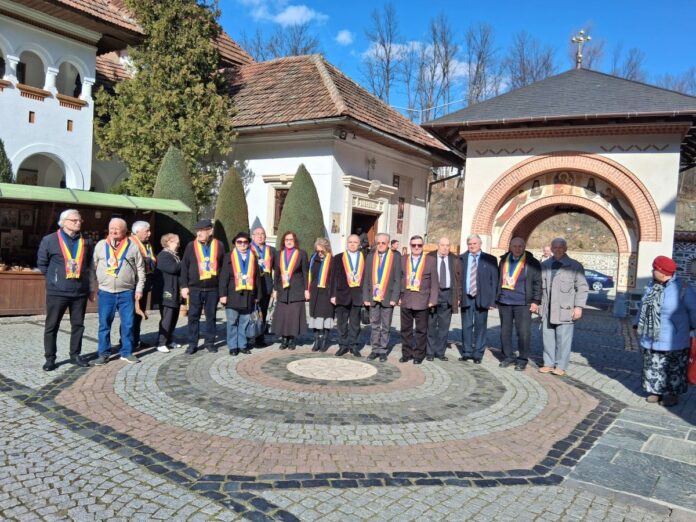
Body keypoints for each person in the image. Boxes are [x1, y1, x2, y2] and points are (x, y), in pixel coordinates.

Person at [37, 209, 94, 371]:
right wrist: (55, 279)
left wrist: (90, 288)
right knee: (52, 325)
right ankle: (50, 358)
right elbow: (42, 264)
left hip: (79, 292)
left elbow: (90, 265)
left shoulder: (86, 241)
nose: (78, 223)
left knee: (78, 325)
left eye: (80, 220)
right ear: (63, 222)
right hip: (57, 292)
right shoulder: (49, 240)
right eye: (74, 220)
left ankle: (75, 355)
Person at [635, 256, 696, 407]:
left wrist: (693, 327)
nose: (652, 271)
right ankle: (655, 391)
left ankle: (671, 394)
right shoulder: (651, 285)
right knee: (653, 365)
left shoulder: (683, 288)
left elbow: (694, 310)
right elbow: (643, 307)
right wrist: (637, 323)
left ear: (662, 272)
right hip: (651, 336)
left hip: (674, 337)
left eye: (654, 269)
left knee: (673, 367)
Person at [91, 218, 145, 365]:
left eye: (117, 228)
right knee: (104, 325)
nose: (113, 231)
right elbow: (92, 267)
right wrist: (92, 287)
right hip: (106, 292)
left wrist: (139, 289)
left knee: (128, 324)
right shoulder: (101, 245)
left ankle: (126, 352)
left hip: (126, 292)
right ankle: (103, 354)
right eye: (111, 228)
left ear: (125, 231)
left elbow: (140, 269)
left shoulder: (133, 246)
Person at [539, 237, 588, 376]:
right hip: (547, 309)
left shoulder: (575, 266)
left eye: (561, 247)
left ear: (565, 249)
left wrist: (578, 307)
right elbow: (539, 286)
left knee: (563, 340)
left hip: (565, 309)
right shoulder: (545, 265)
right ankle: (548, 364)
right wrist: (538, 304)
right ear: (551, 249)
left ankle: (561, 366)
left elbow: (582, 287)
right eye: (555, 247)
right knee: (547, 338)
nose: (558, 250)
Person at [496, 237, 542, 371]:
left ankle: (522, 359)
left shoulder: (532, 262)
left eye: (520, 246)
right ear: (510, 246)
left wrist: (536, 301)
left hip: (523, 303)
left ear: (524, 247)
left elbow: (538, 283)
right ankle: (508, 356)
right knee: (505, 332)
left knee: (523, 333)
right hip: (504, 301)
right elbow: (499, 278)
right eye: (514, 246)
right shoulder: (504, 260)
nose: (517, 249)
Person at [180, 219, 224, 354]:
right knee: (193, 316)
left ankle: (210, 342)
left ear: (210, 231)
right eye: (197, 231)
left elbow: (223, 268)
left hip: (212, 289)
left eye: (202, 231)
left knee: (211, 317)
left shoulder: (219, 245)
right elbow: (184, 266)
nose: (198, 233)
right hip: (195, 288)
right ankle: (192, 344)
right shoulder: (190, 246)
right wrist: (184, 286)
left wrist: (222, 290)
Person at [219, 232, 262, 356]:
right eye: (239, 242)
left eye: (245, 242)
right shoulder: (228, 256)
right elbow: (223, 277)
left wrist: (258, 295)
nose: (242, 244)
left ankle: (242, 345)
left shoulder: (253, 257)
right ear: (235, 243)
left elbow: (257, 278)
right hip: (232, 295)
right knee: (232, 322)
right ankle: (233, 346)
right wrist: (222, 295)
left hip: (248, 295)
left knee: (244, 322)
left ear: (248, 244)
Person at [459, 234, 498, 364]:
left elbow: (494, 281)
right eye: (470, 244)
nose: (472, 246)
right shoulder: (461, 258)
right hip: (466, 297)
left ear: (480, 244)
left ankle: (478, 354)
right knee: (466, 326)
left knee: (480, 327)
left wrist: (493, 301)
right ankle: (467, 352)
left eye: (474, 243)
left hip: (483, 298)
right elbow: (457, 280)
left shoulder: (490, 259)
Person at [399, 235, 438, 364]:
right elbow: (398, 278)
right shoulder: (403, 259)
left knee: (421, 331)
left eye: (419, 245)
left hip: (423, 301)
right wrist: (398, 297)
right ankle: (406, 354)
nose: (416, 247)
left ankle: (418, 355)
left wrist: (432, 300)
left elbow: (434, 282)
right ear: (410, 246)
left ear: (423, 246)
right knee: (406, 330)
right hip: (406, 299)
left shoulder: (430, 260)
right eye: (414, 245)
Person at [363, 232, 402, 362]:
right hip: (373, 297)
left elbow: (397, 279)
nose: (380, 245)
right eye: (378, 243)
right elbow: (366, 278)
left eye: (383, 243)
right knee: (374, 326)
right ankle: (375, 350)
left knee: (385, 326)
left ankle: (383, 350)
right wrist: (366, 297)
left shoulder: (395, 257)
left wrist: (394, 298)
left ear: (388, 244)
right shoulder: (370, 257)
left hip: (388, 297)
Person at [426, 237, 461, 361]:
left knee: (444, 327)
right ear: (438, 245)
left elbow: (458, 279)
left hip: (447, 295)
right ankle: (430, 352)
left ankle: (440, 352)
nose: (445, 248)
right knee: (431, 325)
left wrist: (458, 297)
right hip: (433, 295)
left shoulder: (454, 259)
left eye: (447, 245)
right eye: (442, 245)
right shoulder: (430, 257)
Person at [273, 231, 309, 350]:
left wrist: (306, 289)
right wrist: (275, 289)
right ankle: (284, 339)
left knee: (294, 315)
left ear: (295, 241)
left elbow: (305, 272)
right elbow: (277, 273)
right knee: (283, 314)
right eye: (287, 239)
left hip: (297, 289)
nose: (289, 242)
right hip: (282, 289)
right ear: (283, 241)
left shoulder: (302, 254)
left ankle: (292, 339)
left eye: (291, 240)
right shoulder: (278, 254)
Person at [330, 234, 365, 357]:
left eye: (355, 242)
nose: (352, 244)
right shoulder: (338, 258)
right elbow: (333, 277)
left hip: (358, 295)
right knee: (341, 323)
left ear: (359, 244)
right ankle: (343, 345)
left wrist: (366, 296)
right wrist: (333, 295)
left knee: (355, 323)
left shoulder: (364, 257)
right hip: (341, 294)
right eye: (350, 242)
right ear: (347, 243)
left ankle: (353, 345)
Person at [130, 221, 156, 349]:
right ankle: (127, 341)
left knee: (139, 313)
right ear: (137, 231)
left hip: (144, 284)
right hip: (133, 285)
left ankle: (136, 340)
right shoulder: (130, 243)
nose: (149, 233)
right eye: (147, 231)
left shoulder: (147, 244)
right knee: (130, 314)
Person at [154, 233, 181, 353]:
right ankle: (161, 342)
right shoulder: (164, 255)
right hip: (167, 291)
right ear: (169, 242)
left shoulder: (174, 255)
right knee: (167, 317)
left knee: (174, 316)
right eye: (177, 242)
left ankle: (169, 340)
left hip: (175, 290)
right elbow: (173, 268)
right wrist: (185, 262)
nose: (178, 244)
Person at [308, 238, 335, 352]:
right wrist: (307, 290)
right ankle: (316, 340)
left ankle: (324, 340)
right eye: (317, 250)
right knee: (315, 316)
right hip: (315, 292)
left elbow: (334, 279)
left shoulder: (332, 260)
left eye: (321, 251)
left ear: (327, 249)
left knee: (326, 317)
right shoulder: (313, 259)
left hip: (327, 292)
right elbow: (309, 275)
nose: (319, 253)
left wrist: (333, 294)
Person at [250, 227, 275, 348]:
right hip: (251, 285)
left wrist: (276, 287)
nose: (260, 236)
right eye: (257, 234)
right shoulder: (248, 249)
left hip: (266, 285)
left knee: (262, 312)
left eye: (262, 234)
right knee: (249, 312)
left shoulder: (271, 250)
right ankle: (247, 337)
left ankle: (259, 338)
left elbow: (278, 269)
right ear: (253, 236)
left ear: (265, 236)